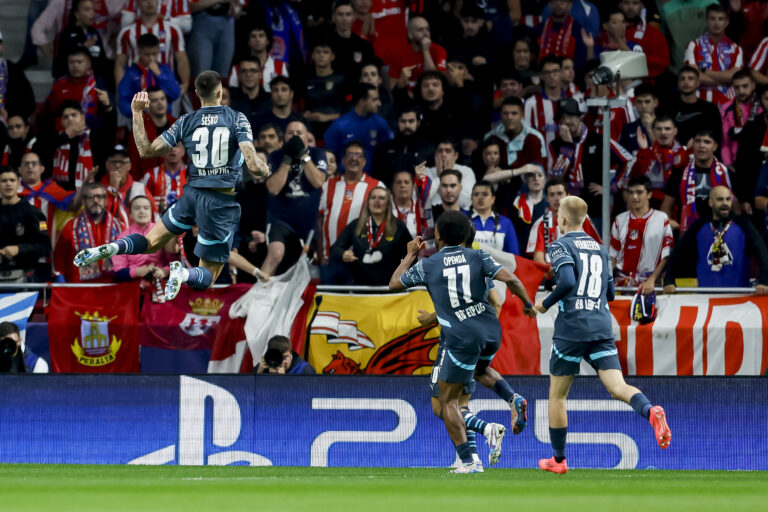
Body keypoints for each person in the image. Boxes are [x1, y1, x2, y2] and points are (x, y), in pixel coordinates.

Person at [73, 72, 269, 299]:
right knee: (209, 273)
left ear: (196, 94)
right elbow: (254, 165)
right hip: (219, 202)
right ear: (220, 93)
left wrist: (137, 113)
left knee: (149, 242)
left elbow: (146, 151)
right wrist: (264, 169)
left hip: (190, 197)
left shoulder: (186, 120)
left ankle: (114, 247)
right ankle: (183, 274)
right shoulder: (237, 118)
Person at [389, 210, 537, 473]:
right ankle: (511, 398)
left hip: (457, 339)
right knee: (478, 372)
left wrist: (411, 254)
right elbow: (510, 281)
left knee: (447, 404)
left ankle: (469, 461)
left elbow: (394, 284)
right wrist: (527, 305)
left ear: (437, 234)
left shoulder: (429, 263)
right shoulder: (479, 256)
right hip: (490, 332)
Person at [534, 196, 671, 475]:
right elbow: (609, 293)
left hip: (571, 328)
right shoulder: (599, 249)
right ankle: (650, 410)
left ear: (561, 219)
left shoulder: (559, 245)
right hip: (600, 325)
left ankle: (558, 461)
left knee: (558, 396)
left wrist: (544, 304)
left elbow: (569, 281)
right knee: (617, 387)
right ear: (585, 220)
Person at [664, 186, 768, 293]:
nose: (725, 203)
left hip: (738, 300)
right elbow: (678, 252)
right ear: (710, 202)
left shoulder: (743, 224)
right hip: (706, 300)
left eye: (728, 199)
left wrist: (764, 281)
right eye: (720, 199)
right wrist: (669, 279)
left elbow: (762, 252)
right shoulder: (699, 225)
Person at [262, 120, 327, 281]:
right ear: (284, 137)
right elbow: (273, 188)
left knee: (310, 265)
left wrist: (303, 156)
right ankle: (257, 295)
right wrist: (287, 159)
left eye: (299, 133)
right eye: (290, 133)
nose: (295, 136)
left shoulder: (318, 153)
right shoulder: (276, 156)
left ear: (307, 136)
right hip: (280, 219)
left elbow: (318, 181)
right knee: (276, 254)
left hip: (308, 222)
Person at [318, 140, 384, 267]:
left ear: (364, 161)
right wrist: (321, 255)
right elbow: (319, 223)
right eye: (350, 154)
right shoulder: (327, 186)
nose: (354, 158)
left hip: (363, 261)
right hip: (330, 260)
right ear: (342, 161)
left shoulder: (377, 186)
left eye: (358, 155)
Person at [330, 187, 411, 286]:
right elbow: (334, 249)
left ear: (388, 203)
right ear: (368, 202)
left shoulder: (398, 226)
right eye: (373, 198)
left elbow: (411, 255)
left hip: (389, 290)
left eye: (381, 198)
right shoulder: (356, 225)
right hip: (360, 289)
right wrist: (342, 254)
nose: (377, 201)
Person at [610, 176, 674, 293]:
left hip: (650, 284)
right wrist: (605, 279)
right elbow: (613, 256)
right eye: (631, 192)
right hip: (622, 284)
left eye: (639, 192)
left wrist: (652, 279)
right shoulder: (619, 220)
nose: (634, 197)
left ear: (649, 194)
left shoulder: (661, 218)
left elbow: (666, 255)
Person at [661, 130, 732, 233]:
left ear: (715, 146)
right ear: (693, 145)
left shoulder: (725, 172)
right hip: (688, 234)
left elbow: (735, 207)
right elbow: (666, 207)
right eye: (698, 141)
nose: (701, 145)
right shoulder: (679, 172)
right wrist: (670, 222)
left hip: (719, 232)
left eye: (707, 142)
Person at [115, 0, 189, 93]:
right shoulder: (127, 32)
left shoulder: (173, 29)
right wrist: (120, 89)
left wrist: (185, 83)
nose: (150, 2)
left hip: (166, 87)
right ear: (137, 3)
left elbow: (181, 59)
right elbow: (120, 64)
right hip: (136, 88)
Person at [56, 182, 124, 283]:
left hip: (113, 290)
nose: (95, 200)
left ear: (106, 200)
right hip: (80, 291)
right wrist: (60, 277)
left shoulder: (120, 227)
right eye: (90, 197)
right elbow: (59, 258)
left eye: (99, 197)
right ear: (83, 201)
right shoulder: (70, 226)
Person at [527, 178, 602, 266]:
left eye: (560, 193)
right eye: (552, 194)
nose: (556, 198)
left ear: (568, 196)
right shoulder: (540, 223)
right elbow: (538, 258)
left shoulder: (582, 218)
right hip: (552, 274)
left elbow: (597, 249)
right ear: (547, 199)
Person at [323, 83, 393, 175]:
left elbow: (390, 150)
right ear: (362, 101)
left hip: (375, 178)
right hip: (345, 178)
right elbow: (330, 156)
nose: (379, 103)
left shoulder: (381, 123)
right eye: (375, 99)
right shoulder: (339, 125)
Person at [622, 115, 688, 209]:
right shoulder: (647, 153)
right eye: (659, 129)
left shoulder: (683, 154)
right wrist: (643, 151)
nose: (663, 132)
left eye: (667, 129)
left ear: (675, 131)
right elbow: (634, 178)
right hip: (650, 205)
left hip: (675, 206)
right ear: (653, 131)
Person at [683, 4, 743, 105]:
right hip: (700, 103)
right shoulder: (693, 46)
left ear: (727, 22)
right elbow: (692, 76)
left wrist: (705, 71)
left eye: (720, 19)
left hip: (728, 105)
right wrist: (725, 81)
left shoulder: (736, 49)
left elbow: (735, 77)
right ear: (706, 21)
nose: (716, 23)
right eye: (712, 18)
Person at [0, 168, 51, 283]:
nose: (8, 183)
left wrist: (19, 249)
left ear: (18, 184)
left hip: (24, 277)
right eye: (4, 181)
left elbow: (45, 247)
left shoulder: (33, 213)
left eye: (12, 180)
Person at [117, 33, 181, 118]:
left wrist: (159, 74)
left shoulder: (164, 70)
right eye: (147, 55)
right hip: (140, 121)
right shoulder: (131, 74)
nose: (151, 58)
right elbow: (123, 101)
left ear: (158, 50)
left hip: (164, 119)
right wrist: (139, 112)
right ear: (139, 52)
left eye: (154, 54)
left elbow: (175, 94)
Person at [112, 195, 172, 286]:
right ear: (130, 214)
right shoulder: (123, 237)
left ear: (151, 212)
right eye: (137, 208)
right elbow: (118, 271)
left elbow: (175, 262)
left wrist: (165, 271)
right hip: (133, 288)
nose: (142, 211)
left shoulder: (162, 231)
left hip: (161, 285)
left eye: (146, 208)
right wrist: (137, 271)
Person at [525, 56, 566, 169]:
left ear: (562, 73)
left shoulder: (573, 100)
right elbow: (528, 138)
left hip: (569, 168)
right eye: (547, 73)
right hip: (542, 167)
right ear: (541, 76)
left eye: (555, 71)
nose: (552, 76)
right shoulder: (531, 103)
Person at [127, 86, 176, 179]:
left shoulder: (177, 123)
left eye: (162, 98)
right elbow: (134, 161)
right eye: (154, 100)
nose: (160, 103)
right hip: (147, 181)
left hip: (175, 180)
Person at [668, 66, 723, 147]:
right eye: (682, 79)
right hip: (673, 153)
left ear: (697, 83)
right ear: (678, 83)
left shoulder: (710, 109)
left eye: (690, 78)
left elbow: (716, 137)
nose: (686, 82)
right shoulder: (668, 107)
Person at [720, 70, 761, 169]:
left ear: (753, 85)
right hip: (736, 162)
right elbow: (725, 140)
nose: (741, 91)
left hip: (760, 162)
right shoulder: (726, 108)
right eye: (737, 88)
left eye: (745, 86)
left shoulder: (763, 107)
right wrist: (728, 163)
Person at [468, 182, 519, 255]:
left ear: (493, 199)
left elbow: (514, 255)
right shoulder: (463, 220)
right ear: (471, 198)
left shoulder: (505, 223)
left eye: (485, 194)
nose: (480, 197)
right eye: (476, 194)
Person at [424, 138, 476, 210]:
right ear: (435, 155)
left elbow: (466, 201)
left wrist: (447, 176)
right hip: (432, 215)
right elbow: (423, 200)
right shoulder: (427, 172)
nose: (443, 154)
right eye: (440, 151)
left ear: (456, 155)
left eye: (448, 151)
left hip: (460, 214)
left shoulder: (466, 171)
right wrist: (440, 178)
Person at [141, 142, 187, 214]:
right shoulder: (150, 176)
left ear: (183, 151)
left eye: (177, 146)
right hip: (158, 222)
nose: (173, 149)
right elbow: (140, 202)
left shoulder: (192, 175)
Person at [512, 166, 549, 251]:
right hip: (522, 253)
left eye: (540, 175)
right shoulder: (517, 204)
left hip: (545, 252)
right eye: (531, 175)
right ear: (526, 179)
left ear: (545, 180)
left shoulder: (551, 204)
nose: (536, 178)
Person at [227, 57, 271, 126]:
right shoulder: (230, 99)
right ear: (239, 75)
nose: (248, 75)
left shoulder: (270, 100)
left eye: (253, 71)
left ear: (260, 74)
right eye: (244, 71)